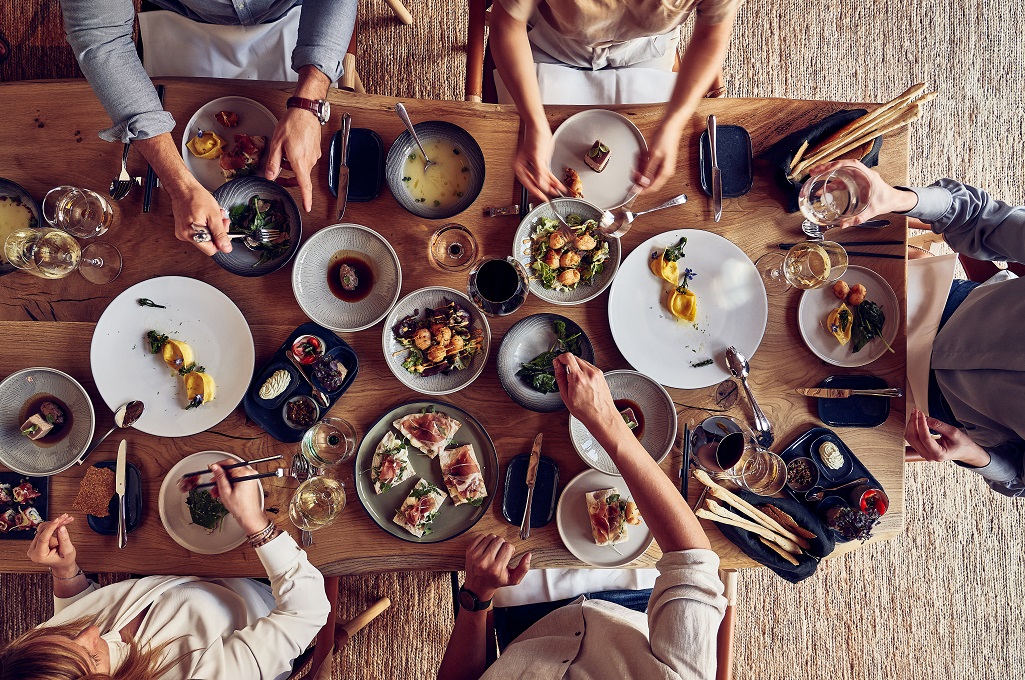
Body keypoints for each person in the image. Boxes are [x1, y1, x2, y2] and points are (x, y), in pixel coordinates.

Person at [437, 353, 727, 680]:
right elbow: (694, 562)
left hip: (524, 620)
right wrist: (606, 420)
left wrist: (476, 597)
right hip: (634, 610)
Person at [59, 0, 357, 256]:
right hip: (182, 23)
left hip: (295, 15)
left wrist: (309, 102)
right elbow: (100, 38)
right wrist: (181, 187)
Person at [0, 461, 330, 679]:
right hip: (264, 596)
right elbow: (308, 611)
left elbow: (80, 617)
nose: (89, 632)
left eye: (68, 635)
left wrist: (65, 572)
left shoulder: (28, 660)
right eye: (94, 657)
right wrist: (254, 522)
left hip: (172, 576)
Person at [813, 159, 1025, 498]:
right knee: (807, 271)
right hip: (934, 303)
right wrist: (893, 198)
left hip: (924, 408)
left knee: (804, 426)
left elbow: (1019, 479)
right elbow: (974, 215)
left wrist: (976, 456)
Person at [489, 0, 740, 201]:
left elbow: (712, 35)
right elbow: (507, 23)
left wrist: (673, 123)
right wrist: (534, 121)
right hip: (551, 45)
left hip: (646, 49)